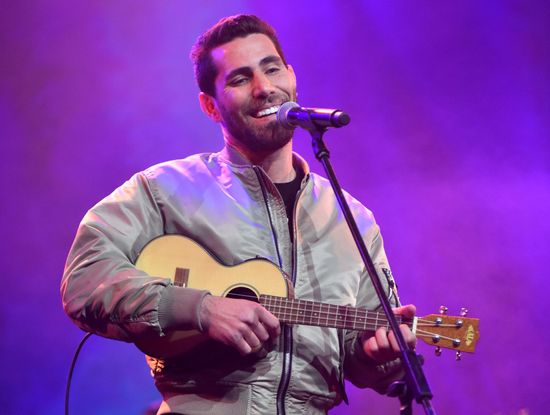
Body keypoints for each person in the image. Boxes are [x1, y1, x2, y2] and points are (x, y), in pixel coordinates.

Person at [61, 14, 416, 415]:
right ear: (210, 106)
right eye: (240, 79)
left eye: (272, 68)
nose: (265, 88)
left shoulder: (354, 219)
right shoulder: (164, 189)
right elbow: (84, 279)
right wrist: (201, 308)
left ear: (292, 77)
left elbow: (364, 363)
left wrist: (374, 356)